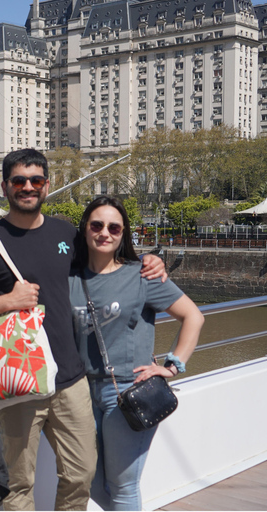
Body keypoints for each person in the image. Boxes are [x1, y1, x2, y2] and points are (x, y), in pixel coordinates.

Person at [0, 148, 167, 511]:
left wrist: (148, 259)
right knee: (18, 483)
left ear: (46, 185)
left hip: (71, 379)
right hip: (18, 381)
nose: (27, 187)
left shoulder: (65, 233)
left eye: (35, 180)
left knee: (82, 472)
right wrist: (6, 301)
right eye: (19, 181)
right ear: (4, 186)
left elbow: (108, 259)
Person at [68, 196, 203, 511]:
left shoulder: (142, 275)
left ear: (123, 233)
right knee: (86, 479)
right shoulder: (69, 278)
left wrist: (172, 365)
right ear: (85, 229)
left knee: (124, 486)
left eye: (114, 227)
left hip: (129, 391)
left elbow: (193, 316)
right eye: (97, 225)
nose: (105, 232)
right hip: (80, 393)